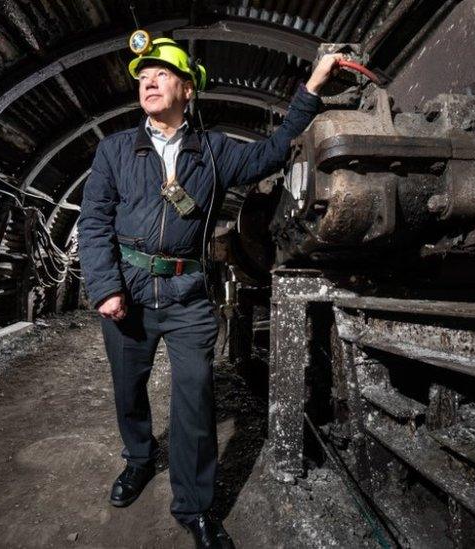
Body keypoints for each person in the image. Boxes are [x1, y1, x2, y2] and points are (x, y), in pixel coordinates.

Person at [77, 36, 342, 548]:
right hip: (127, 293)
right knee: (129, 391)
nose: (148, 82)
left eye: (161, 74)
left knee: (195, 399)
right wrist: (106, 287)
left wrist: (311, 88)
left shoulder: (214, 152)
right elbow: (93, 223)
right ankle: (137, 459)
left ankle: (194, 507)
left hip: (188, 296)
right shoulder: (114, 151)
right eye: (142, 77)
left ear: (188, 88)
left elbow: (271, 152)